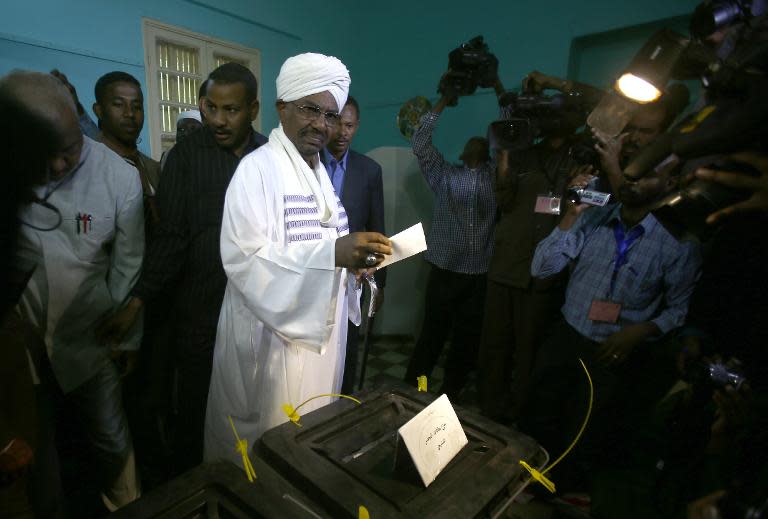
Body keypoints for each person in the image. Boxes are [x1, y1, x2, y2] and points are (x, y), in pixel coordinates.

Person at [204, 52, 392, 465]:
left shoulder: (319, 175)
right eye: (310, 110)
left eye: (330, 115)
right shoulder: (256, 171)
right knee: (264, 448)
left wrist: (353, 265)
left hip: (321, 339)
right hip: (269, 341)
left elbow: (331, 246)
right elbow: (244, 260)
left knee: (311, 438)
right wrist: (334, 253)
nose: (322, 125)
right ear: (282, 107)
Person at [96, 62, 266, 475]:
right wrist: (137, 303)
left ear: (254, 110)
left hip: (257, 316)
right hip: (199, 316)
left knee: (252, 411)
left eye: (232, 110)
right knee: (195, 414)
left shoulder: (270, 158)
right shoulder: (187, 157)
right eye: (212, 108)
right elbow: (170, 239)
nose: (219, 120)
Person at [2, 70, 145, 511]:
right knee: (35, 451)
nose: (61, 166)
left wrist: (126, 339)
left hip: (91, 339)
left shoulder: (119, 178)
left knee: (112, 441)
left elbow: (128, 264)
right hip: (17, 355)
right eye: (46, 154)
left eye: (71, 149)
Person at [519, 160, 702, 489]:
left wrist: (641, 331)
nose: (632, 180)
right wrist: (572, 213)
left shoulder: (681, 244)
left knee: (585, 431)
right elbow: (541, 268)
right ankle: (520, 485)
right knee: (538, 414)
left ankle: (560, 494)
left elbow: (680, 309)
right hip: (567, 335)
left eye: (647, 174)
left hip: (613, 351)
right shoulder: (595, 217)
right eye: (630, 172)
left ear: (671, 181)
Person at [477, 70, 596, 421]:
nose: (548, 118)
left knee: (529, 352)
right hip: (505, 265)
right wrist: (503, 156)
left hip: (543, 276)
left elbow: (609, 103)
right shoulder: (525, 152)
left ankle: (522, 417)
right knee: (494, 347)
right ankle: (489, 411)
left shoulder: (582, 156)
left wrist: (556, 83)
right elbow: (504, 199)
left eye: (556, 111)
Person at [403, 82, 503, 399]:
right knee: (431, 337)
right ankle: (416, 390)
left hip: (478, 276)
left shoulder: (495, 178)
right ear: (461, 153)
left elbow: (510, 138)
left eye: (483, 143)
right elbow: (420, 143)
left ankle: (451, 394)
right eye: (470, 143)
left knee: (465, 342)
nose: (477, 142)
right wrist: (445, 99)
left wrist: (499, 86)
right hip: (444, 272)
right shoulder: (445, 175)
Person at [320, 95, 387, 394]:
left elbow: (377, 229)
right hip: (316, 269)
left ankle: (344, 403)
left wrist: (379, 282)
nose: (344, 132)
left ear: (357, 126)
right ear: (329, 123)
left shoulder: (369, 170)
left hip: (353, 279)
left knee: (348, 347)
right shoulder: (309, 164)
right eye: (339, 124)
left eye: (350, 125)